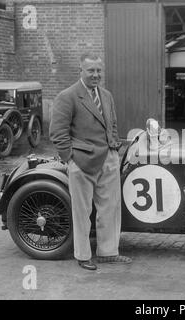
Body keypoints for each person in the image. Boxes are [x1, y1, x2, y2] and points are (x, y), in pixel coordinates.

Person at [50, 53, 132, 270]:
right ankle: (83, 255)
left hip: (109, 159)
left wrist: (114, 147)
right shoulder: (67, 96)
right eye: (91, 71)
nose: (96, 75)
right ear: (81, 71)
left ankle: (108, 253)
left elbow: (112, 123)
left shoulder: (106, 95)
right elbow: (58, 132)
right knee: (82, 211)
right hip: (82, 162)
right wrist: (70, 160)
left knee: (110, 208)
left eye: (98, 71)